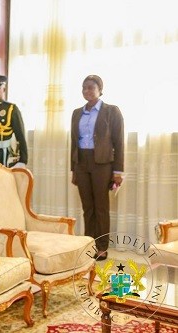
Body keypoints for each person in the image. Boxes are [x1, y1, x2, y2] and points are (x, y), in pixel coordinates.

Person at [70, 74, 124, 261]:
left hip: (102, 164)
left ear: (100, 90)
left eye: (91, 87)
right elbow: (73, 143)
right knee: (87, 207)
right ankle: (89, 244)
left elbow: (119, 142)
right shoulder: (77, 112)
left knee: (101, 207)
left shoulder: (112, 111)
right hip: (81, 163)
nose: (87, 91)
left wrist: (118, 172)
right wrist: (73, 169)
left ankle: (102, 247)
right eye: (84, 88)